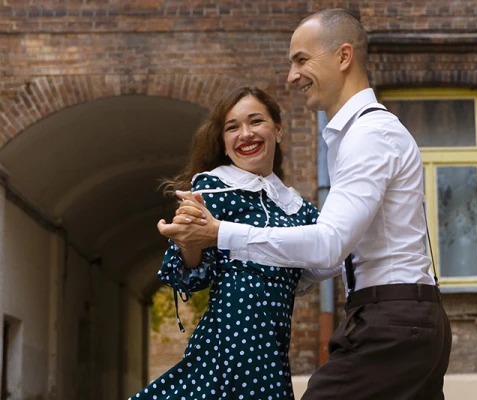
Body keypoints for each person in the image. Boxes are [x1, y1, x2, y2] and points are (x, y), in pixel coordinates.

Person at [163, 8, 452, 400]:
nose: (292, 75)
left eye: (302, 60)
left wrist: (221, 233)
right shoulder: (354, 136)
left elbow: (329, 245)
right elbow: (333, 255)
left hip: (393, 321)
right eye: (232, 127)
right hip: (397, 319)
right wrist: (196, 241)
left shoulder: (367, 135)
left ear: (343, 57)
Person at [130, 86, 338, 400]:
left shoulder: (299, 210)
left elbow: (328, 252)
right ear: (224, 143)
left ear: (277, 129)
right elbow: (189, 275)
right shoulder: (214, 189)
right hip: (221, 354)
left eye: (256, 122)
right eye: (232, 127)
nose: (245, 134)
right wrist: (188, 239)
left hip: (270, 358)